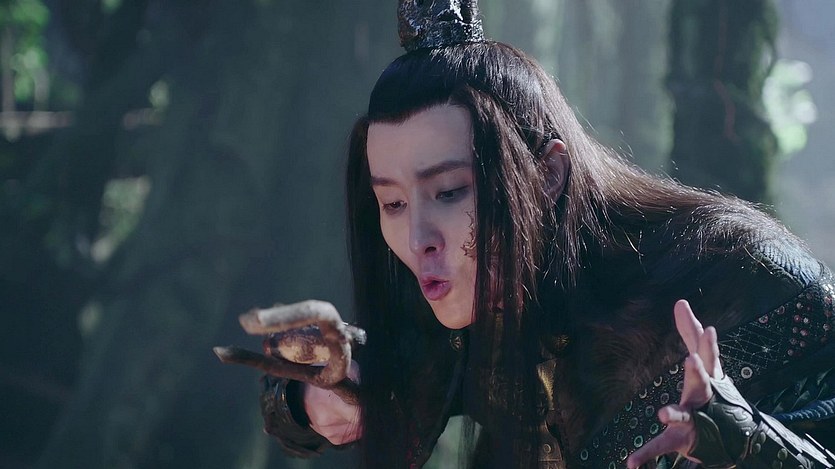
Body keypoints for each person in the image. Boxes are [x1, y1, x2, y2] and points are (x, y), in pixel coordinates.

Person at [258, 1, 835, 467]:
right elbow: (337, 383)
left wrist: (747, 442)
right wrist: (311, 395)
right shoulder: (471, 306)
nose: (416, 238)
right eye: (393, 203)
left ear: (548, 174)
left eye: (450, 191)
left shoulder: (741, 272)